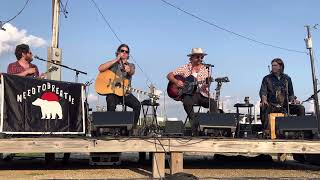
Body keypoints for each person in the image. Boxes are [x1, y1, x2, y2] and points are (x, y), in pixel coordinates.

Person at [167, 48, 217, 135]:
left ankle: (212, 129)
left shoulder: (206, 69)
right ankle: (194, 126)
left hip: (202, 94)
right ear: (191, 58)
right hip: (190, 95)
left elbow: (206, 86)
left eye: (201, 57)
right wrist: (176, 82)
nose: (200, 59)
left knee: (212, 103)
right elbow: (169, 75)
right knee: (187, 102)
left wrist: (207, 82)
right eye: (197, 57)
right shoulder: (185, 67)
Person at [98, 44, 141, 127]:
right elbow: (100, 68)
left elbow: (131, 71)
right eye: (122, 51)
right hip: (113, 93)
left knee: (137, 105)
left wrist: (127, 68)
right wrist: (116, 59)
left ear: (128, 54)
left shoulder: (131, 65)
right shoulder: (112, 64)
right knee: (110, 100)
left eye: (126, 52)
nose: (124, 53)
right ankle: (111, 127)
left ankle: (132, 127)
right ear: (118, 52)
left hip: (125, 93)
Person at [259, 58, 305, 131]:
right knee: (263, 106)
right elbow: (263, 91)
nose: (273, 67)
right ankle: (266, 130)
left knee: (300, 108)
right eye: (272, 65)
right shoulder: (266, 78)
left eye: (275, 65)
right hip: (272, 105)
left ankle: (301, 130)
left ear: (280, 67)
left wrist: (293, 100)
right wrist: (264, 100)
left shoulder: (287, 78)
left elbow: (291, 93)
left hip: (284, 106)